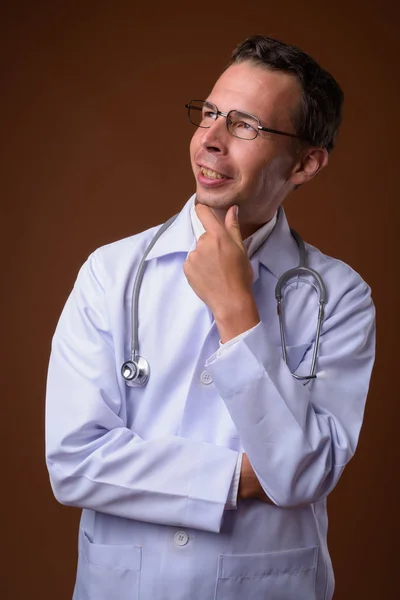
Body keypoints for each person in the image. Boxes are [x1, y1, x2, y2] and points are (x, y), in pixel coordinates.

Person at [45, 35, 376, 600]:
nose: (211, 141)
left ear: (306, 162)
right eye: (211, 114)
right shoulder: (111, 273)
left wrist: (237, 312)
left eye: (246, 125)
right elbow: (74, 462)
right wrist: (238, 480)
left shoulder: (339, 295)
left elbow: (301, 476)